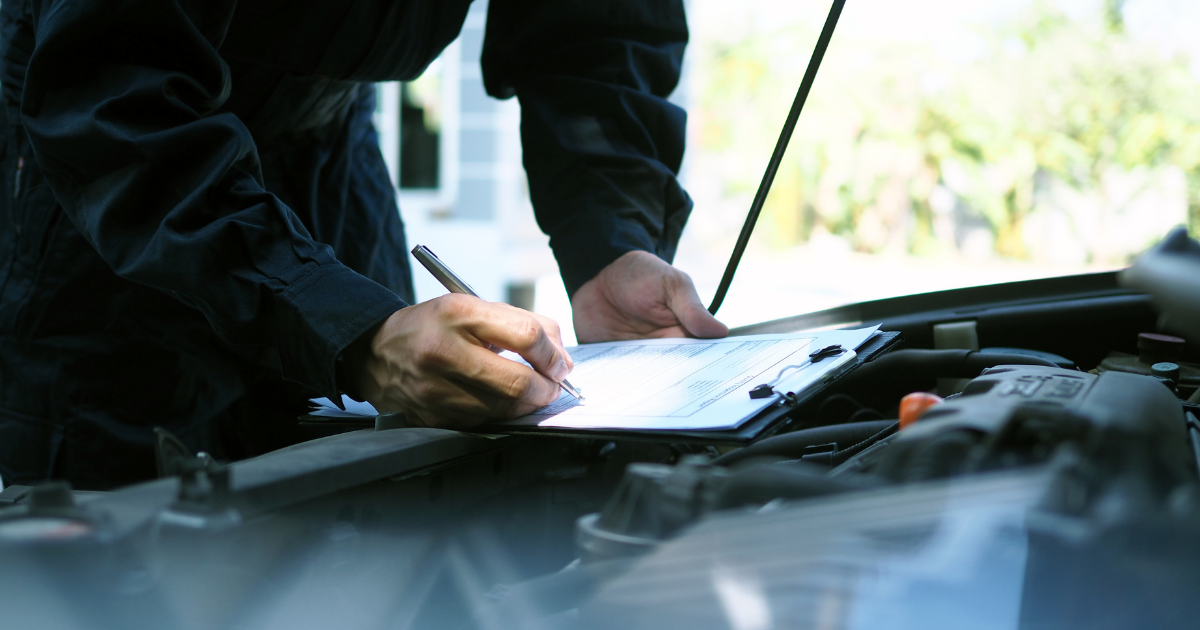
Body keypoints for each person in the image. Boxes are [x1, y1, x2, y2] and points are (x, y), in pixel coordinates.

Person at [0, 0, 727, 491]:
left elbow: (595, 25)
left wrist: (611, 239)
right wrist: (353, 328)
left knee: (382, 498)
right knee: (125, 536)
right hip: (111, 162)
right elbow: (107, 83)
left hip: (330, 146)